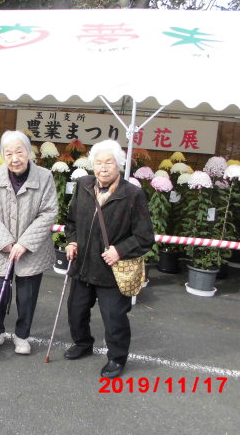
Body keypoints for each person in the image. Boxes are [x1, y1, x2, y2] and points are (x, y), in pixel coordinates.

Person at [64, 139, 154, 378]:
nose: (103, 168)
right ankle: (83, 343)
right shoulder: (83, 185)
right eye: (98, 162)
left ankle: (117, 358)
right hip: (83, 265)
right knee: (76, 311)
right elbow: (71, 221)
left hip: (111, 270)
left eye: (109, 163)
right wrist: (71, 241)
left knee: (114, 318)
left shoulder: (132, 194)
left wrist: (120, 250)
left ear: (119, 165)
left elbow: (145, 237)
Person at [0, 130, 58, 355]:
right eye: (9, 153)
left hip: (32, 250)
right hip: (0, 248)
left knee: (27, 296)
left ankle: (22, 335)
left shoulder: (44, 176)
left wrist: (24, 243)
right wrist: (6, 242)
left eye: (19, 152)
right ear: (3, 155)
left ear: (29, 152)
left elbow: (49, 212)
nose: (14, 158)